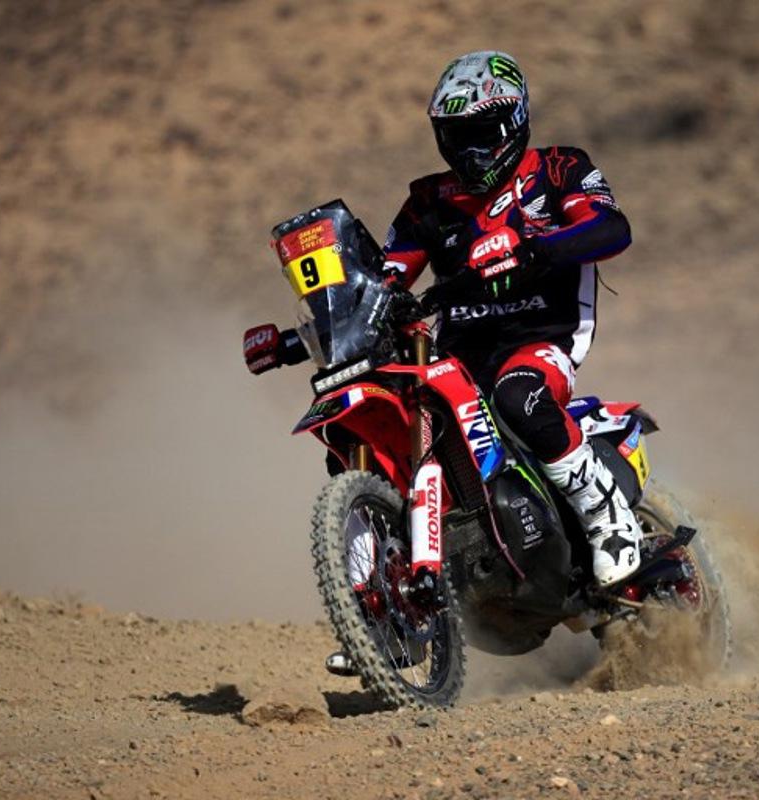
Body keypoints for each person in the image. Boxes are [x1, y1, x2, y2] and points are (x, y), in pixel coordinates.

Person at [245, 51, 642, 588]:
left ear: (513, 122)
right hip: (460, 347)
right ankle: (379, 591)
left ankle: (606, 519)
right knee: (393, 416)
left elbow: (611, 229)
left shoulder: (560, 169)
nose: (468, 150)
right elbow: (381, 282)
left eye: (480, 133)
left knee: (518, 396)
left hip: (544, 333)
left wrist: (533, 249)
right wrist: (306, 333)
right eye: (455, 136)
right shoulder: (427, 202)